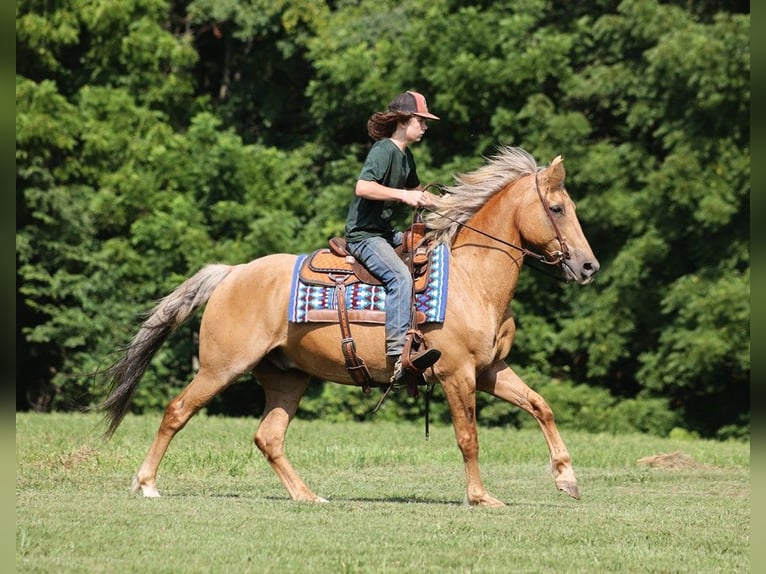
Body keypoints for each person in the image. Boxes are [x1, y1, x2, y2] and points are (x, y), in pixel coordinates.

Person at [344, 91, 442, 385]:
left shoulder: (406, 156)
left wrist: (451, 206)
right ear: (403, 121)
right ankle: (401, 355)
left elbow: (420, 194)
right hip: (365, 236)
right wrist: (403, 195)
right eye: (420, 121)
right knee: (400, 276)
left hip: (386, 234)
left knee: (429, 250)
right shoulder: (384, 150)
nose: (424, 127)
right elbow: (363, 187)